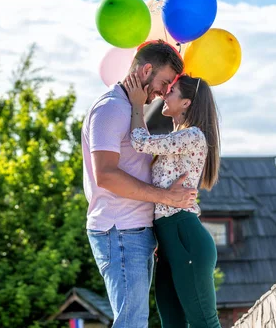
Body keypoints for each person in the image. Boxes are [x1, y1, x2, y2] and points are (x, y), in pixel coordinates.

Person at [82, 40, 198, 328]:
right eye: (164, 82)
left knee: (135, 321)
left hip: (134, 232)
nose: (164, 92)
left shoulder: (130, 108)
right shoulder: (111, 109)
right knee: (132, 323)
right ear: (146, 69)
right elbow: (106, 175)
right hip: (120, 232)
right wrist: (166, 197)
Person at [123, 71, 222, 328]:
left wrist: (136, 103)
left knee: (204, 323)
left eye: (172, 92)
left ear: (187, 103)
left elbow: (140, 142)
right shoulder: (175, 140)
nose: (165, 94)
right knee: (172, 323)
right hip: (168, 241)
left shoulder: (193, 136)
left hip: (184, 235)